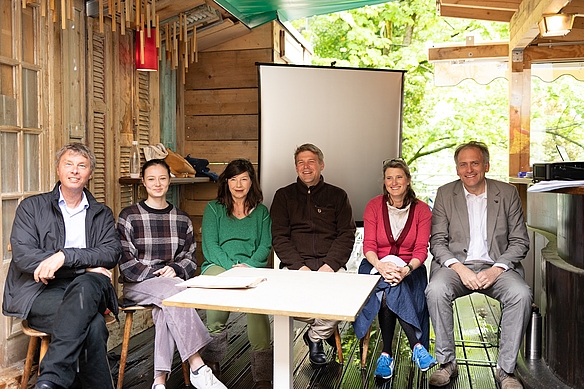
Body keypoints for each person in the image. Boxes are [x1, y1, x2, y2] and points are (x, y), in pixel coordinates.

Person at [2, 143, 122, 389]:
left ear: (89, 174)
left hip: (89, 287)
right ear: (58, 169)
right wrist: (82, 265)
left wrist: (64, 257)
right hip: (40, 290)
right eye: (68, 164)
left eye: (82, 166)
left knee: (88, 285)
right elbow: (24, 255)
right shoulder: (31, 207)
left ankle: (50, 380)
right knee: (94, 326)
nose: (75, 171)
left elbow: (111, 252)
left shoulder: (101, 213)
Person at [426, 141, 532, 389]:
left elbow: (520, 241)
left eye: (474, 163)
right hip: (456, 267)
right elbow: (438, 242)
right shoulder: (445, 193)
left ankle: (505, 370)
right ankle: (446, 363)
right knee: (435, 290)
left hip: (497, 266)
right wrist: (459, 269)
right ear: (456, 169)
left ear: (486, 165)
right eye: (463, 164)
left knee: (521, 294)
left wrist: (497, 269)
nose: (469, 169)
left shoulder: (506, 193)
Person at [117, 159, 226, 389]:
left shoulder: (182, 218)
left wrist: (175, 269)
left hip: (171, 284)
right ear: (143, 183)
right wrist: (159, 276)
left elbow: (189, 259)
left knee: (165, 307)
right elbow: (126, 263)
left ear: (169, 181)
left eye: (162, 178)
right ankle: (197, 365)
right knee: (171, 292)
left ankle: (159, 381)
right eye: (151, 179)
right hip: (138, 283)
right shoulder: (129, 216)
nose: (157, 183)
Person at [270, 143, 356, 366]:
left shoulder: (337, 196)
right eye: (300, 162)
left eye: (311, 162)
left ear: (321, 165)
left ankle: (314, 336)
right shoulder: (283, 196)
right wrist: (300, 268)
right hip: (296, 268)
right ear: (296, 167)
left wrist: (330, 265)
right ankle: (323, 330)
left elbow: (346, 234)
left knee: (348, 300)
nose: (306, 167)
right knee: (282, 302)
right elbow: (279, 237)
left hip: (331, 267)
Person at [353, 159, 436, 380]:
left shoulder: (422, 210)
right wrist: (380, 266)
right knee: (388, 284)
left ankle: (386, 354)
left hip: (410, 268)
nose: (394, 182)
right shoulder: (373, 206)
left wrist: (405, 270)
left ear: (408, 180)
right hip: (375, 265)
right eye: (389, 177)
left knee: (389, 288)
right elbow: (369, 246)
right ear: (384, 181)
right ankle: (417, 346)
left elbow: (420, 250)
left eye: (399, 177)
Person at [201, 159, 272, 389]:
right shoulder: (214, 208)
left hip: (251, 268)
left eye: (244, 178)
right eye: (233, 179)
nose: (238, 184)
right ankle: (212, 361)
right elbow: (211, 245)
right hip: (219, 265)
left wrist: (248, 267)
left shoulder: (261, 212)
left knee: (257, 305)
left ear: (252, 182)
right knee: (217, 296)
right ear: (226, 182)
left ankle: (262, 374)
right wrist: (231, 269)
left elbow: (265, 246)